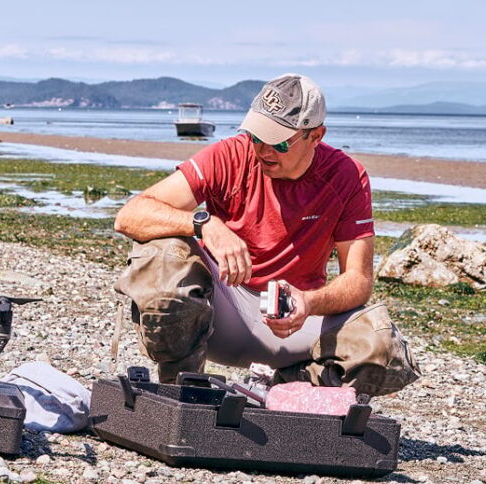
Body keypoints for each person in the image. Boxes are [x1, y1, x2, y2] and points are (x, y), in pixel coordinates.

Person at [113, 74, 420, 396]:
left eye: (279, 141)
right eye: (256, 136)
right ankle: (182, 392)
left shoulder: (346, 176)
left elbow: (358, 280)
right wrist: (205, 223)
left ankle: (284, 389)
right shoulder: (229, 155)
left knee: (383, 349)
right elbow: (130, 216)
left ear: (316, 135)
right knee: (164, 252)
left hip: (296, 320)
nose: (262, 149)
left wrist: (309, 302)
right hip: (220, 312)